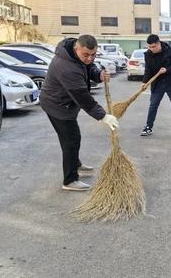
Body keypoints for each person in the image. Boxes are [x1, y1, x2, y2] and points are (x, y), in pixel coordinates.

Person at [40, 35, 120, 192]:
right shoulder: (66, 67)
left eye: (93, 54)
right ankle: (70, 180)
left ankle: (75, 164)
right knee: (71, 140)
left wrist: (98, 75)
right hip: (57, 105)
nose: (90, 58)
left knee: (73, 137)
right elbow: (83, 97)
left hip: (66, 104)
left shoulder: (77, 55)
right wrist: (103, 116)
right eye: (86, 55)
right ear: (77, 48)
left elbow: (89, 68)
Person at [140, 34, 171, 137]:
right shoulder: (148, 55)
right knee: (153, 106)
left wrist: (167, 70)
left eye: (154, 46)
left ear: (159, 43)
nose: (152, 49)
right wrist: (144, 82)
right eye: (150, 47)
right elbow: (148, 70)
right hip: (157, 84)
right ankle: (148, 127)